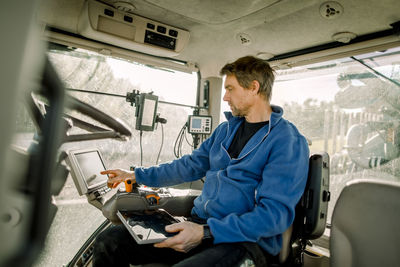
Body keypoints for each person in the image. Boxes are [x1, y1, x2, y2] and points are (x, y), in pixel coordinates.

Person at [92, 56, 309, 267]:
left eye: (230, 89)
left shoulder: (287, 141)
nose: (225, 97)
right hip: (200, 226)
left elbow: (273, 216)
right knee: (109, 242)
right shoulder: (225, 130)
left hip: (245, 241)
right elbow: (188, 166)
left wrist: (206, 232)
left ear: (253, 87)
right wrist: (137, 174)